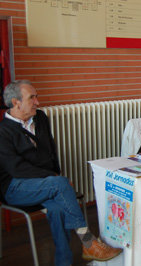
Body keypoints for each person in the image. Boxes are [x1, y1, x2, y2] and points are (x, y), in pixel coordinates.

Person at [0, 80, 123, 266]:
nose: (37, 102)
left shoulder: (40, 118)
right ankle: (89, 242)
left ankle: (63, 262)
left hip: (45, 183)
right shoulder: (3, 132)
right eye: (32, 97)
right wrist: (56, 181)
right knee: (60, 184)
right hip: (14, 187)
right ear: (16, 102)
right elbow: (17, 169)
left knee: (58, 208)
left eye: (36, 96)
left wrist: (56, 178)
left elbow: (50, 153)